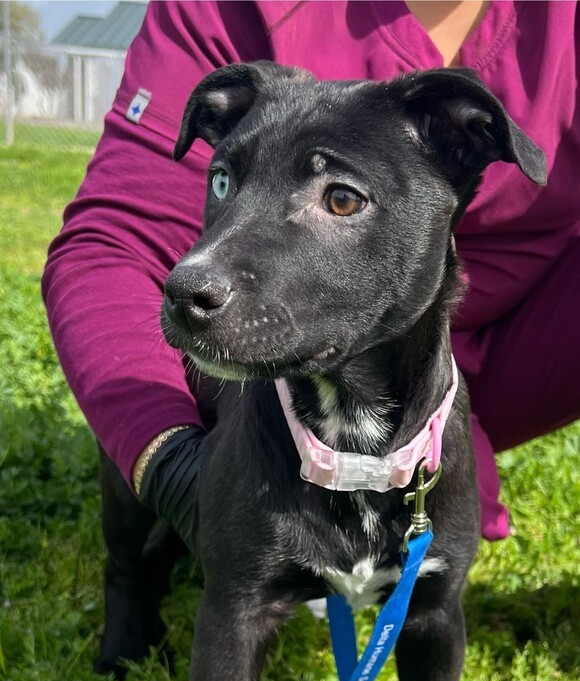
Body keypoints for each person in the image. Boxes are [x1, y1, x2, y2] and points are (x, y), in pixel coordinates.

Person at [42, 1, 580, 551]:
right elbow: (114, 239)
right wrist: (174, 469)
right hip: (292, 356)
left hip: (512, 343)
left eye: (340, 199)